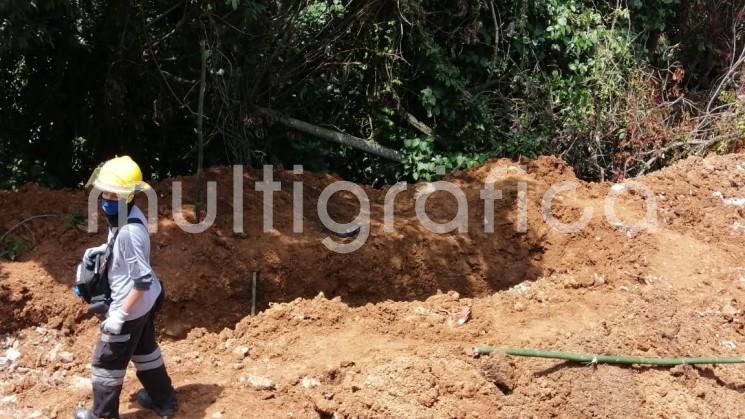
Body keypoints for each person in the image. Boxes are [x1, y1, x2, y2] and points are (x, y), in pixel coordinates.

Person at [75, 156, 177, 419]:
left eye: (113, 194)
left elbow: (140, 280)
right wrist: (101, 250)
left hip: (130, 305)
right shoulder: (129, 215)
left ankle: (102, 415)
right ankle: (162, 399)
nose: (106, 198)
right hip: (145, 303)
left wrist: (119, 316)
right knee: (145, 351)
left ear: (128, 195)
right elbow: (122, 247)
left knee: (106, 362)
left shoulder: (129, 231)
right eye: (104, 192)